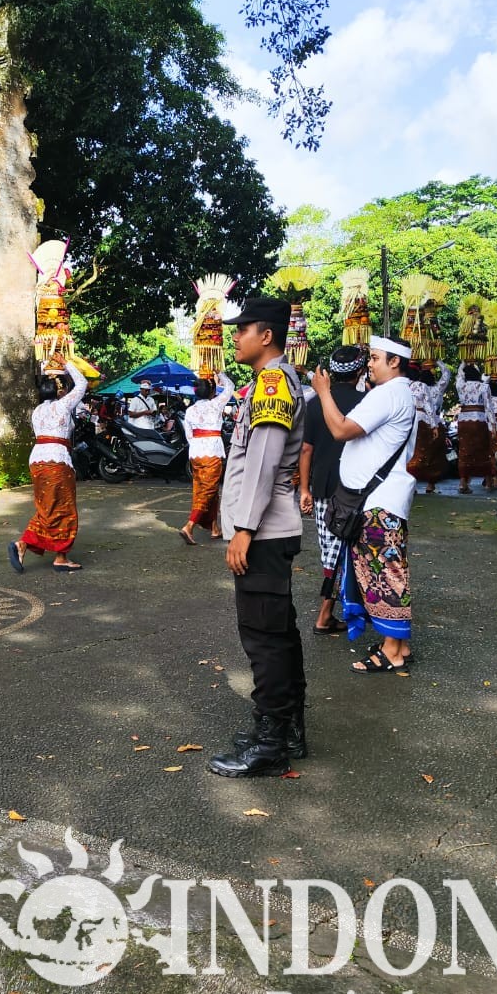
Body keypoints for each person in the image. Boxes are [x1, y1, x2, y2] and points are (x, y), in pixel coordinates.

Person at [208, 297, 308, 780]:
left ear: (266, 335)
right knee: (279, 634)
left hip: (263, 532)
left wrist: (243, 529)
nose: (235, 336)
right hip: (267, 529)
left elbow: (265, 462)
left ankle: (271, 745)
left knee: (264, 640)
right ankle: (287, 731)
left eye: (243, 328)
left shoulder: (272, 383)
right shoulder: (271, 381)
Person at [312, 335, 418, 673]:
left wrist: (324, 392)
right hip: (380, 500)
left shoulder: (389, 394)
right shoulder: (397, 393)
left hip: (378, 503)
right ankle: (398, 644)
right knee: (383, 572)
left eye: (374, 358)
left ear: (394, 362)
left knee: (385, 574)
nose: (369, 364)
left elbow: (341, 429)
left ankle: (392, 652)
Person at [299, 345, 366, 634]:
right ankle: (327, 614)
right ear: (360, 371)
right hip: (357, 488)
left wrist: (304, 489)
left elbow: (306, 450)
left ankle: (330, 612)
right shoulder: (367, 403)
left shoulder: (315, 404)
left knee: (330, 550)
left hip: (323, 486)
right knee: (351, 551)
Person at [10, 360, 87, 573]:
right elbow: (82, 384)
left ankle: (25, 544)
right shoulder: (62, 405)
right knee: (63, 508)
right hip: (57, 460)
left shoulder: (37, 411)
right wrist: (67, 363)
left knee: (47, 507)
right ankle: (58, 556)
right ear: (60, 390)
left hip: (37, 460)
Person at [178, 372, 235, 545]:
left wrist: (198, 445)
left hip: (196, 453)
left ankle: (214, 527)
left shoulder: (190, 410)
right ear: (212, 392)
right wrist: (220, 373)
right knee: (208, 490)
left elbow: (189, 435)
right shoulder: (216, 404)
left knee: (203, 489)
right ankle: (189, 525)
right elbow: (230, 387)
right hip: (212, 452)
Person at [407, 360, 452, 494]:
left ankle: (412, 485)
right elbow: (446, 374)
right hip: (431, 422)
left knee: (413, 453)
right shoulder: (437, 389)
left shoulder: (408, 386)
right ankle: (430, 485)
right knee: (435, 454)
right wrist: (437, 361)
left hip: (411, 420)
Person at [452, 363, 495, 495]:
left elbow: (459, 374)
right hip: (479, 420)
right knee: (483, 449)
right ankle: (488, 481)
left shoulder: (460, 385)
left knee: (464, 450)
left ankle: (463, 482)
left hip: (463, 420)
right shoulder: (484, 386)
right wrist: (493, 425)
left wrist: (464, 362)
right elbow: (489, 407)